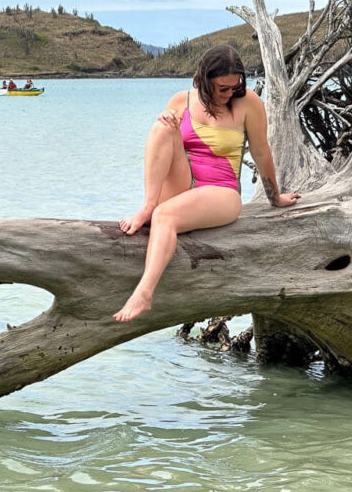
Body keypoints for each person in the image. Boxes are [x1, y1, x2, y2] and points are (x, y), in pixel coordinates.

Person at [113, 45, 301, 322]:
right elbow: (164, 150)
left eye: (235, 87)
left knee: (165, 216)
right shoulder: (181, 100)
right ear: (203, 81)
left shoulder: (248, 103)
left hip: (221, 192)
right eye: (222, 88)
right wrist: (167, 120)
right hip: (182, 185)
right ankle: (147, 207)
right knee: (161, 127)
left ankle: (144, 292)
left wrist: (275, 197)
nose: (229, 94)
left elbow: (261, 151)